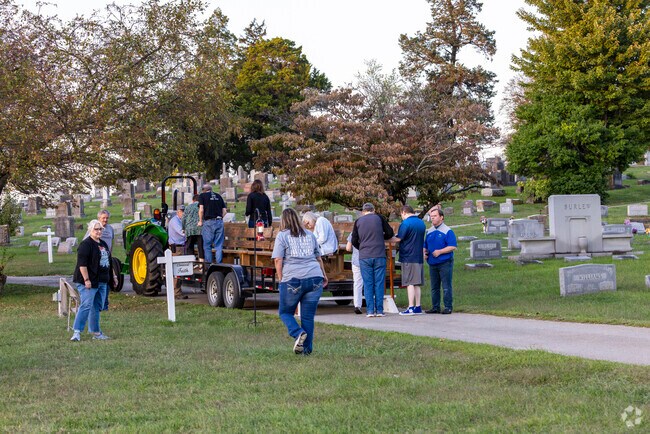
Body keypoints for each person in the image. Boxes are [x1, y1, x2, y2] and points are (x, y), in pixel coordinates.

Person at [272, 208, 328, 355]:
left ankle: (298, 333)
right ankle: (307, 351)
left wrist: (281, 278)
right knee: (308, 316)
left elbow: (278, 259)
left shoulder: (282, 236)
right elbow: (318, 257)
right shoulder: (310, 234)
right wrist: (324, 274)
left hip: (293, 278)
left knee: (285, 312)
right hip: (315, 277)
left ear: (283, 221)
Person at [70, 219, 117, 341]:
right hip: (88, 281)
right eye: (96, 229)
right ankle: (76, 332)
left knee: (96, 306)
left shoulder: (103, 244)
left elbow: (108, 262)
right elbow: (82, 264)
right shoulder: (86, 245)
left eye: (100, 229)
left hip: (102, 281)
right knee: (86, 305)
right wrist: (86, 280)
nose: (99, 231)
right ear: (90, 230)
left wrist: (114, 277)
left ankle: (96, 333)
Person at [351, 203, 394, 317]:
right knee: (379, 283)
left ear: (363, 211)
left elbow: (354, 240)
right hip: (379, 254)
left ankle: (370, 311)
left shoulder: (358, 222)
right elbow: (390, 233)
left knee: (368, 283)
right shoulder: (379, 218)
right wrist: (380, 237)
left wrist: (362, 247)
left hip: (365, 256)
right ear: (373, 210)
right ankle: (379, 310)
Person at [390, 205, 426, 316]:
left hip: (408, 256)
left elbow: (398, 238)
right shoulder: (421, 223)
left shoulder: (406, 223)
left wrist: (386, 239)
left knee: (409, 282)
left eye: (401, 214)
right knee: (416, 283)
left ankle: (410, 307)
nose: (402, 217)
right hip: (418, 255)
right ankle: (418, 306)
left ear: (404, 212)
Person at [424, 208, 457, 314]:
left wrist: (440, 251)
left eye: (435, 216)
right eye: (431, 216)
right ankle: (435, 306)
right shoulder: (429, 231)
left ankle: (448, 306)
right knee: (434, 286)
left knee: (446, 286)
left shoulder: (447, 231)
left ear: (441, 217)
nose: (432, 218)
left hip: (445, 262)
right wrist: (424, 253)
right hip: (432, 262)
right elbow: (425, 245)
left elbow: (452, 246)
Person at [197, 183, 227, 263]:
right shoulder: (218, 196)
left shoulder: (202, 196)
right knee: (219, 245)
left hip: (208, 222)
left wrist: (200, 221)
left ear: (203, 190)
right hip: (219, 221)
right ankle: (219, 264)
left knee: (207, 245)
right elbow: (224, 211)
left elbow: (201, 209)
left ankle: (209, 265)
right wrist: (220, 218)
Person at [168, 206, 188, 299]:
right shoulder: (175, 221)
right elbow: (182, 232)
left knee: (181, 270)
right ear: (178, 212)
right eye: (182, 212)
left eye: (184, 212)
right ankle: (176, 293)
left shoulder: (180, 220)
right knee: (177, 270)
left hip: (181, 247)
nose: (184, 214)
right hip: (176, 248)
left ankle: (178, 291)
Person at [345, 233, 363, 314]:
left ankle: (357, 305)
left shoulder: (353, 233)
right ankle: (372, 306)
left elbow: (348, 248)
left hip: (357, 261)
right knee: (370, 282)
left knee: (357, 283)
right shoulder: (371, 231)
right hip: (368, 259)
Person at [183, 194, 204, 261]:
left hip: (189, 230)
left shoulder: (188, 207)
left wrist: (183, 228)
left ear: (193, 200)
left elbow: (184, 218)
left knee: (189, 247)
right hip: (200, 229)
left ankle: (191, 263)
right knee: (201, 247)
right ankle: (201, 265)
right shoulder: (201, 206)